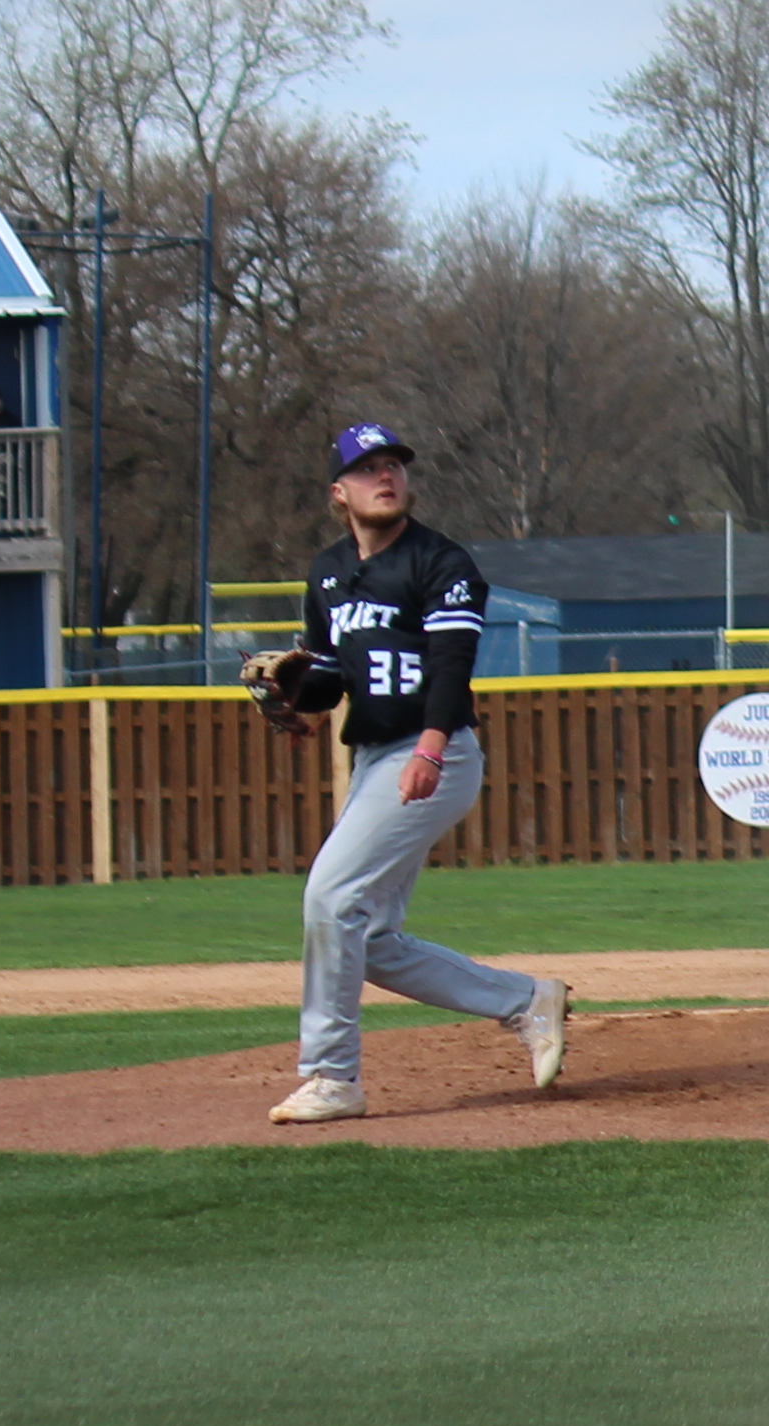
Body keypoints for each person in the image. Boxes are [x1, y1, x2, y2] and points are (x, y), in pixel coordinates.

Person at [242, 423, 569, 1124]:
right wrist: (290, 699)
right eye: (366, 469)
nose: (384, 476)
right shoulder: (328, 573)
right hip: (374, 759)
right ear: (340, 492)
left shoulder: (440, 562)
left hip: (435, 752)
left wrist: (427, 748)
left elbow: (452, 668)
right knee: (366, 936)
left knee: (329, 896)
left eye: (392, 465)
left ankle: (332, 1075)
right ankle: (525, 999)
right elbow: (331, 681)